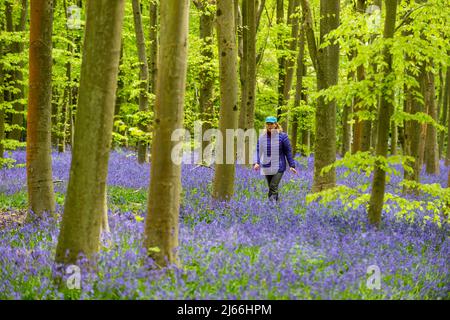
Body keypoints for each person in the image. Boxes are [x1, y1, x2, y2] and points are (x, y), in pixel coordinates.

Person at [253, 116, 297, 203]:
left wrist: (292, 165)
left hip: (279, 166)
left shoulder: (283, 136)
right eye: (268, 124)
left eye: (271, 124)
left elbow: (288, 151)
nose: (269, 126)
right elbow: (258, 150)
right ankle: (276, 205)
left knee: (273, 186)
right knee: (271, 187)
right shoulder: (262, 137)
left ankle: (271, 206)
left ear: (276, 124)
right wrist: (256, 162)